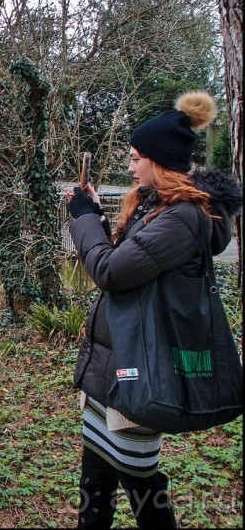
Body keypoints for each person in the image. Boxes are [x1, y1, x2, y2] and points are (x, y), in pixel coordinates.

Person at [65, 90, 243, 528]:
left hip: (140, 366)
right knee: (97, 477)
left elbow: (110, 272)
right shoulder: (157, 207)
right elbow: (130, 264)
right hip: (117, 362)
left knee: (141, 482)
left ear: (159, 162)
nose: (129, 167)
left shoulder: (181, 217)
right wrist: (99, 221)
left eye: (135, 158)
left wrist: (84, 218)